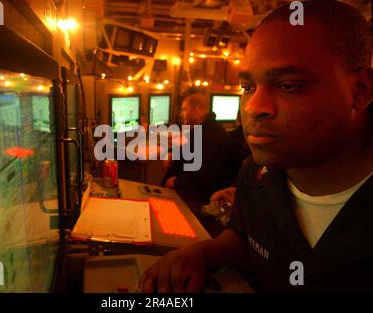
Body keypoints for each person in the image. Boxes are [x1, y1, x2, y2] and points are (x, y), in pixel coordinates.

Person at [140, 0, 373, 292]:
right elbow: (243, 237)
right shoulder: (255, 173)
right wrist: (200, 253)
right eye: (248, 87)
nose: (253, 107)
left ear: (360, 91)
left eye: (288, 85)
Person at [161, 92, 242, 204]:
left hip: (200, 199)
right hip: (190, 189)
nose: (181, 114)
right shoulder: (203, 128)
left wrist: (175, 182)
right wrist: (171, 153)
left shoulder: (211, 136)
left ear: (196, 111)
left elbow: (203, 177)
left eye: (184, 109)